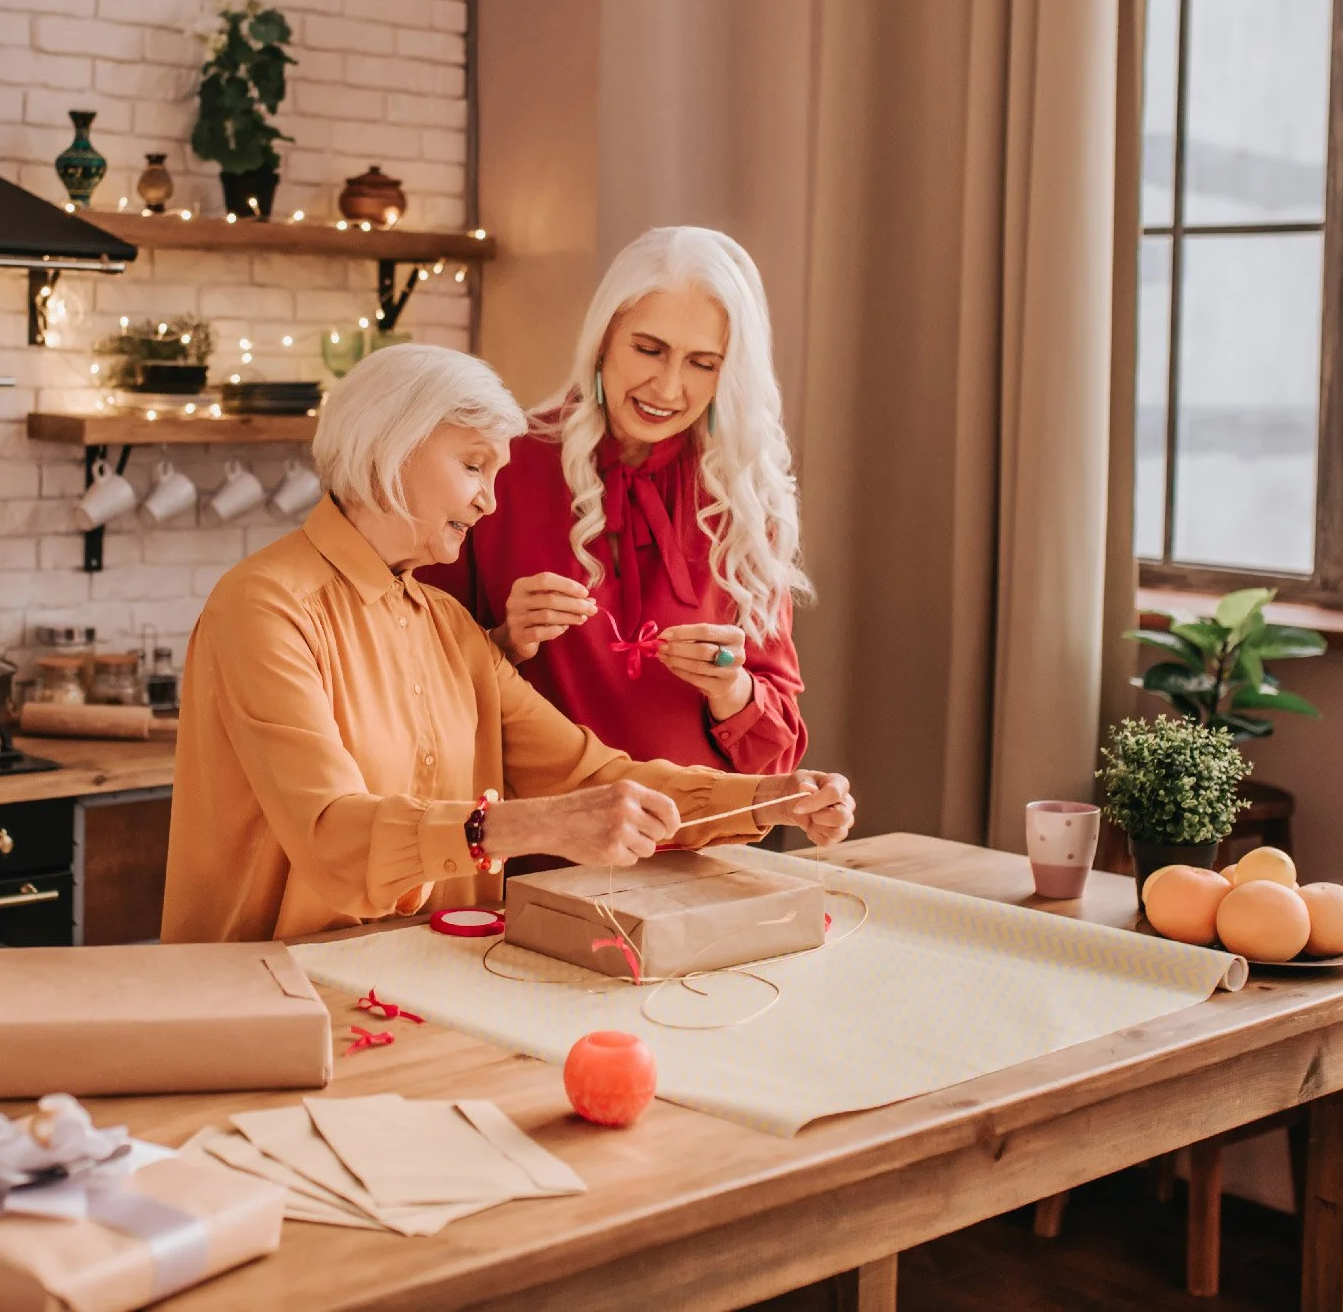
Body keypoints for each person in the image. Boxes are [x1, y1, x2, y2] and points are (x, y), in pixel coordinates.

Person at [161, 343, 851, 944]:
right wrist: (536, 826)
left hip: (428, 986)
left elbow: (591, 776)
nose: (491, 501)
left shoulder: (447, 625)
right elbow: (333, 836)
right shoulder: (264, 606)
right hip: (273, 1000)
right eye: (472, 466)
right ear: (388, 451)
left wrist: (765, 798)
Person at [422, 226, 819, 777]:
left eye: (703, 363)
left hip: (700, 848)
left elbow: (775, 755)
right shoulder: (502, 464)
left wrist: (733, 686)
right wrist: (505, 642)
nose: (668, 388)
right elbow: (409, 685)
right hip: (543, 851)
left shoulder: (745, 494)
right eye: (649, 349)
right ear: (604, 339)